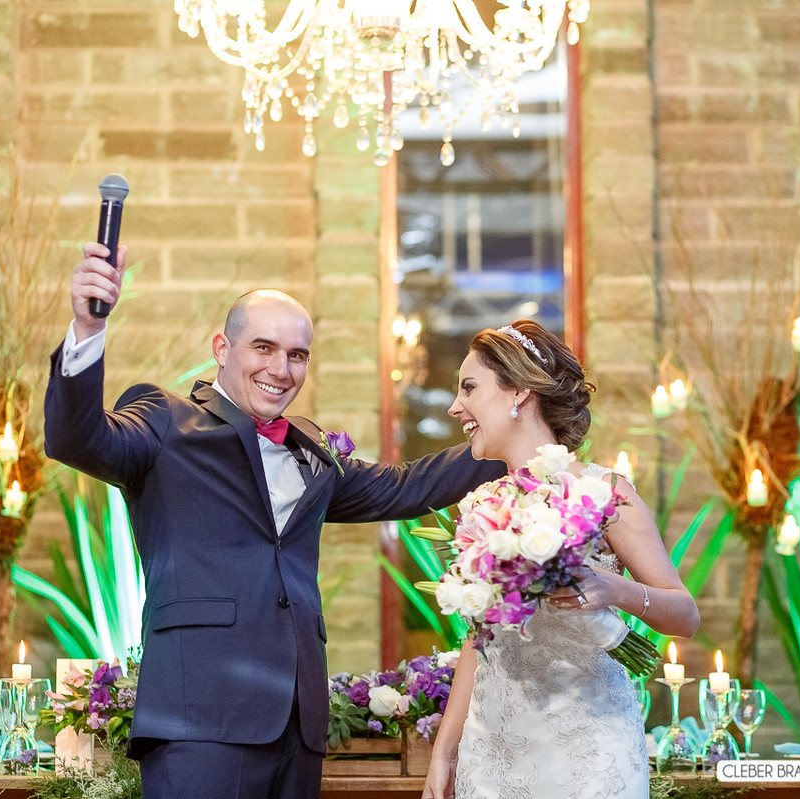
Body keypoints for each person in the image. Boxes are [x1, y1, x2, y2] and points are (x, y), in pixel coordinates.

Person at [44, 242, 506, 799]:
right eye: (263, 348)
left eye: (297, 355)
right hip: (200, 722)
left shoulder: (313, 449)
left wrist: (511, 436)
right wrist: (87, 328)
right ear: (221, 348)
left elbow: (407, 486)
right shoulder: (165, 420)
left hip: (299, 728)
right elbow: (78, 438)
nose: (280, 370)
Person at [422, 319, 701, 799]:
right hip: (493, 749)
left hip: (588, 747)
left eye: (469, 387)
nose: (454, 406)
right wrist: (445, 752)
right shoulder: (483, 506)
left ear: (518, 392)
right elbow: (480, 638)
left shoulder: (604, 493)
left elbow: (686, 615)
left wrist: (613, 590)